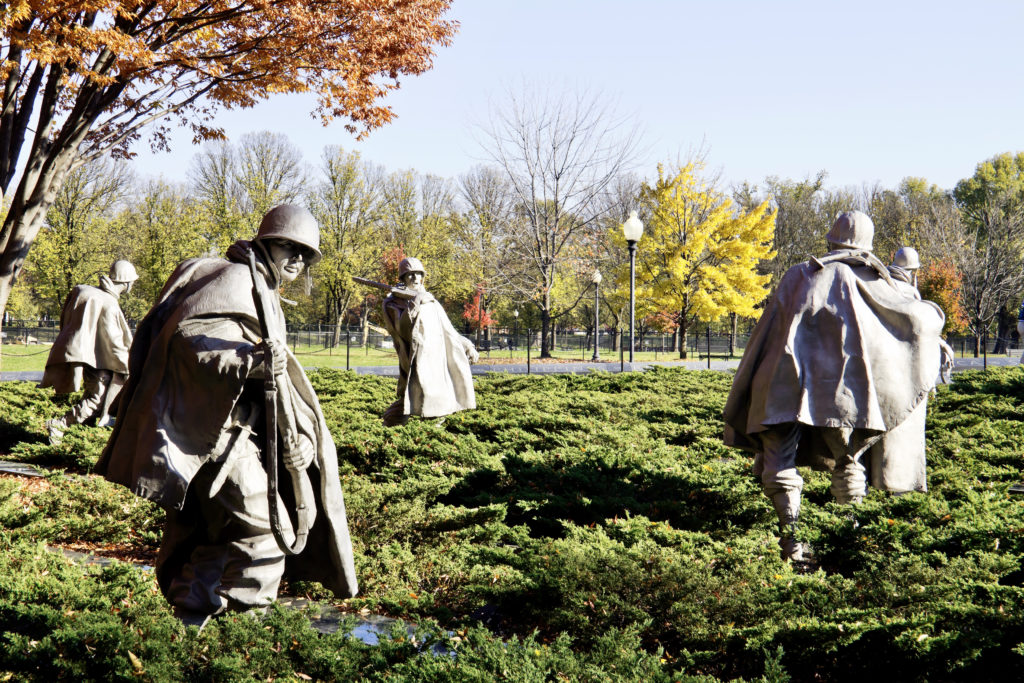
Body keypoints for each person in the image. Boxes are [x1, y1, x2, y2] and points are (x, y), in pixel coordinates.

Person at [95, 204, 357, 626]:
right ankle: (238, 636)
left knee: (219, 539)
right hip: (215, 439)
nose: (297, 259)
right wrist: (245, 360)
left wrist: (298, 436)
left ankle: (189, 630)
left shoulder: (264, 289)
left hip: (232, 434)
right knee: (267, 537)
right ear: (267, 242)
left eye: (306, 254)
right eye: (289, 246)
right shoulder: (238, 279)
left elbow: (274, 381)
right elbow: (188, 336)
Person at [723, 211, 947, 561]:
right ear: (867, 245)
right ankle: (849, 537)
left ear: (830, 240)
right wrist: (936, 336)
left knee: (778, 460)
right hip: (842, 394)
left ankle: (792, 544)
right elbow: (915, 319)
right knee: (848, 458)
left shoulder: (798, 274)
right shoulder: (877, 282)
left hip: (780, 384)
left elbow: (765, 332)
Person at [41, 260, 138, 443]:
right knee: (96, 401)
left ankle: (82, 438)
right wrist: (129, 364)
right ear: (126, 282)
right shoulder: (108, 303)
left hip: (94, 358)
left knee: (92, 399)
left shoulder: (95, 295)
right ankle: (59, 424)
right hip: (101, 362)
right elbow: (114, 342)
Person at [380, 257, 478, 427]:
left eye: (418, 274)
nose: (415, 278)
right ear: (403, 278)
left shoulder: (430, 301)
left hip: (436, 359)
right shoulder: (393, 303)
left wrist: (467, 345)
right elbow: (401, 329)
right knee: (411, 400)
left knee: (435, 402)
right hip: (415, 359)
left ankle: (431, 436)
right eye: (410, 275)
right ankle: (390, 432)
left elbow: (448, 330)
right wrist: (415, 303)